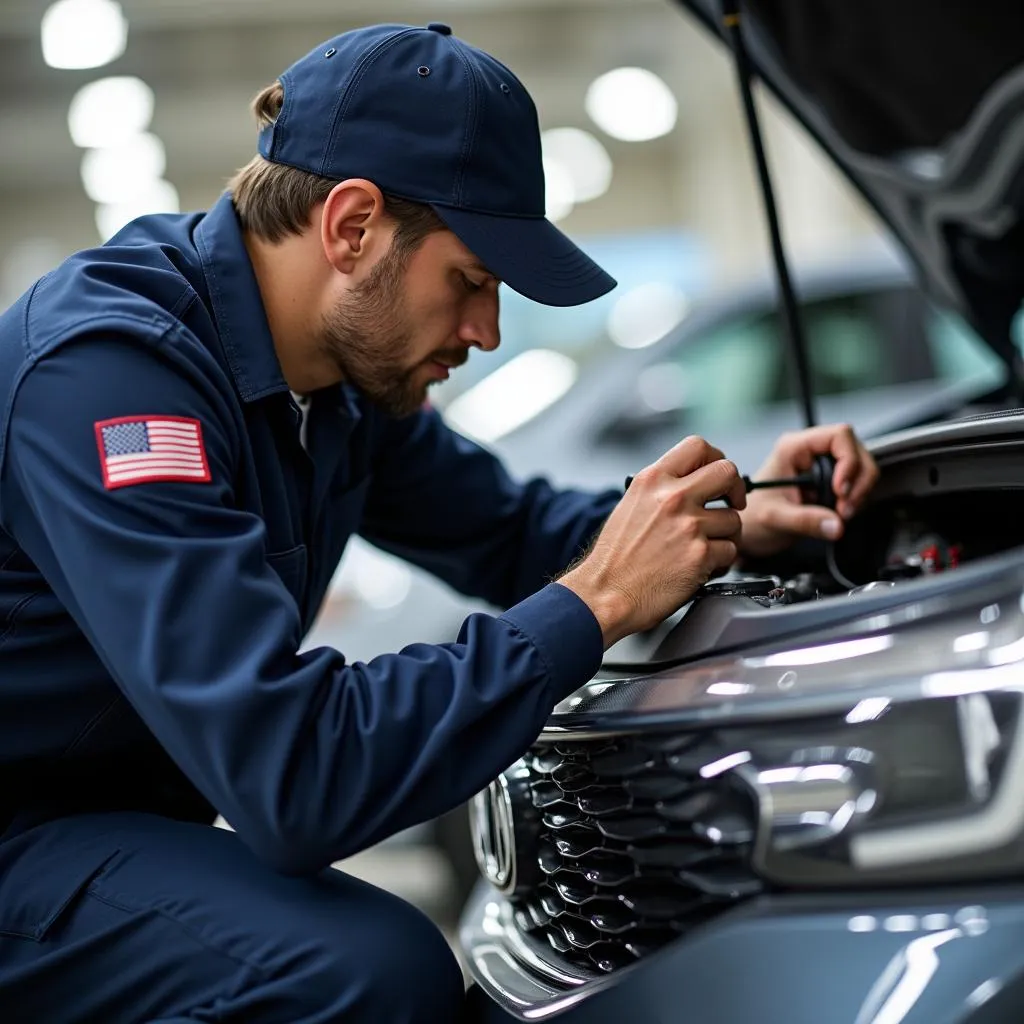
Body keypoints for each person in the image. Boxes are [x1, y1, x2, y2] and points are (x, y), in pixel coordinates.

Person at [0, 21, 878, 1024]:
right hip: (23, 836)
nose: (487, 331)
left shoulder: (336, 385)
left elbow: (513, 531)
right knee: (360, 971)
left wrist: (730, 518)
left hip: (108, 820)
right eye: (470, 280)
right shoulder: (113, 375)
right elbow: (296, 779)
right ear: (351, 226)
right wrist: (593, 601)